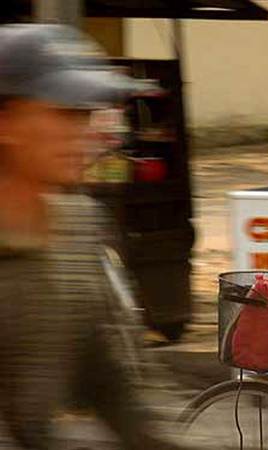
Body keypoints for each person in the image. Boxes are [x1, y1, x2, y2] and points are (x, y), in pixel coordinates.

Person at [0, 24, 187, 450]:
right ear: (6, 122)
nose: (83, 133)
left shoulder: (78, 227)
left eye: (85, 115)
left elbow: (113, 381)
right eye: (63, 113)